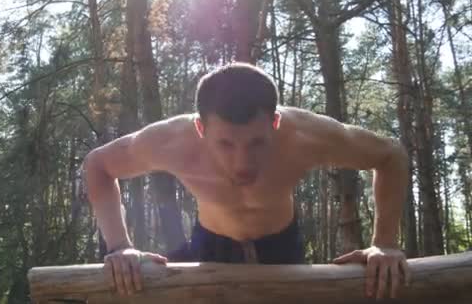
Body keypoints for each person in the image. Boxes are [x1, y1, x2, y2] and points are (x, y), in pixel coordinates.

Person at [83, 63, 411, 300]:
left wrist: (384, 243)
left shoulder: (307, 136)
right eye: (225, 144)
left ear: (275, 123)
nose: (241, 163)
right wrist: (120, 245)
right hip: (210, 246)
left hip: (283, 246)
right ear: (201, 129)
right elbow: (98, 165)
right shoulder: (171, 141)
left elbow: (390, 155)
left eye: (256, 143)